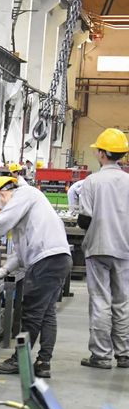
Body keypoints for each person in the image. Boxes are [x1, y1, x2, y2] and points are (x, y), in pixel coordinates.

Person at [0, 176, 73, 378]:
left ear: (2, 195)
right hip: (58, 259)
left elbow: (3, 221)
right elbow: (20, 252)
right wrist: (3, 271)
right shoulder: (28, 207)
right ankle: (43, 362)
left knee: (32, 314)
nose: (0, 210)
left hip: (47, 261)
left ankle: (19, 360)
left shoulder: (24, 194)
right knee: (46, 314)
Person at [77, 128, 129, 370]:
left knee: (100, 300)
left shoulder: (92, 181)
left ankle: (101, 355)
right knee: (122, 301)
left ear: (101, 154)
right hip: (125, 248)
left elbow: (84, 219)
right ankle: (124, 354)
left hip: (98, 247)